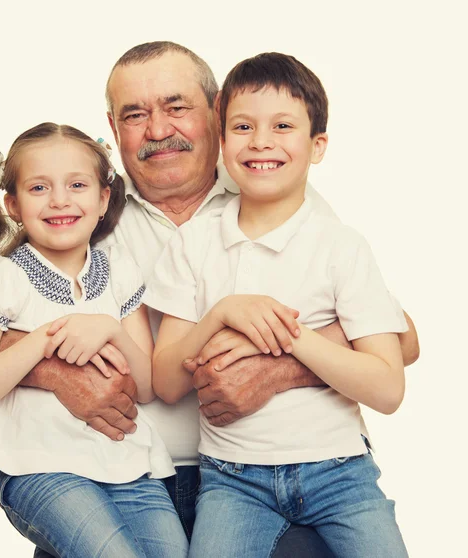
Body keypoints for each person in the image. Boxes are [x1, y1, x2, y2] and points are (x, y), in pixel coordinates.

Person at [1, 42, 420, 557]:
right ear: (113, 128)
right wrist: (53, 372)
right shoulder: (78, 204)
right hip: (111, 479)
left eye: (177, 107)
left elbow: (401, 339)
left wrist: (279, 365)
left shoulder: (274, 190)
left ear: (214, 112)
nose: (158, 130)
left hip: (270, 470)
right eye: (136, 115)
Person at [144, 52, 409, 557]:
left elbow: (388, 388)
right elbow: (166, 381)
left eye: (282, 126)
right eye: (243, 126)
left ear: (318, 146)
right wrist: (222, 312)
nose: (261, 141)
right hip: (233, 483)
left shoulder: (341, 247)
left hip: (340, 474)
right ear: (222, 143)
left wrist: (294, 338)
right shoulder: (192, 245)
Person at [0, 123, 189, 558]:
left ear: (103, 198)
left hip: (129, 466)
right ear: (13, 204)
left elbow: (148, 385)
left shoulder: (119, 271)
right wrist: (41, 341)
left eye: (77, 185)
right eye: (39, 188)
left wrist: (109, 327)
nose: (60, 200)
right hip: (38, 466)